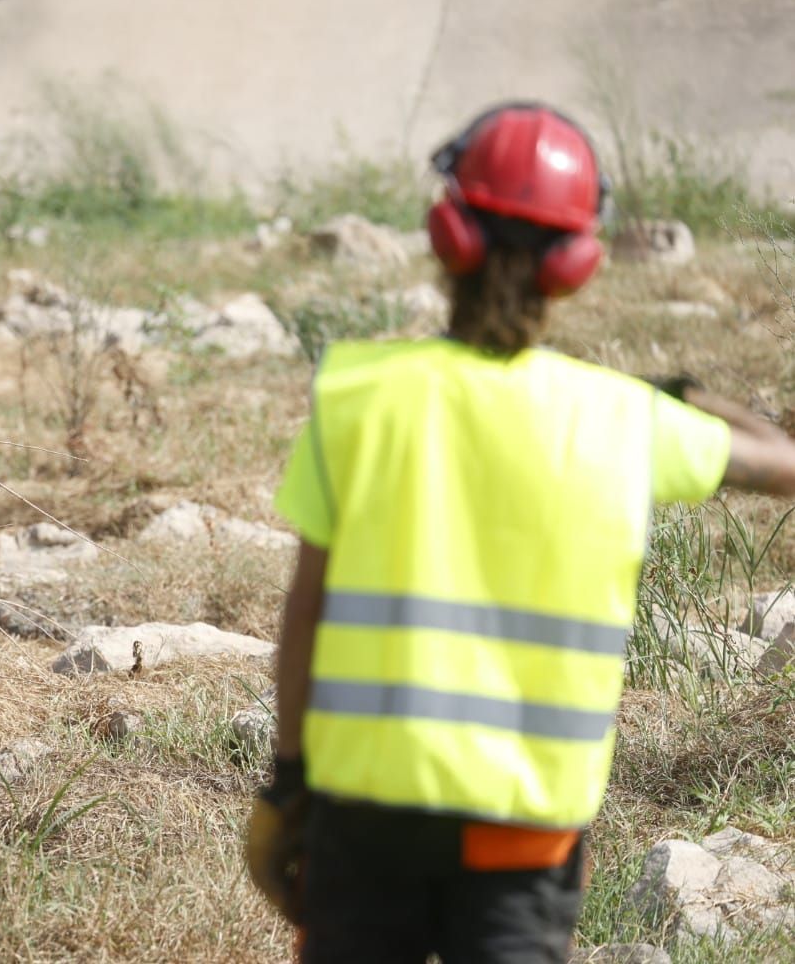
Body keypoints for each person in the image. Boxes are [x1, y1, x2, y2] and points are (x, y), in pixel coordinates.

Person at [244, 103, 795, 963]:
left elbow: (303, 620)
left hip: (363, 824)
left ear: (446, 235)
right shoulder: (622, 420)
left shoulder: (360, 395)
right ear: (577, 266)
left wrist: (286, 786)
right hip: (523, 841)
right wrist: (674, 394)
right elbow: (782, 461)